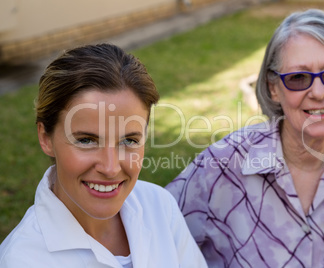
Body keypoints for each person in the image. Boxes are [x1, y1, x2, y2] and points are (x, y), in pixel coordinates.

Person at [166, 9, 324, 268]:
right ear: (273, 88)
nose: (319, 92)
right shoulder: (220, 168)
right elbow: (149, 239)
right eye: (298, 78)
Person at [0, 43, 207, 268]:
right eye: (86, 140)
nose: (110, 168)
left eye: (129, 140)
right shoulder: (21, 260)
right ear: (46, 138)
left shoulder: (160, 206)